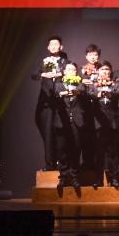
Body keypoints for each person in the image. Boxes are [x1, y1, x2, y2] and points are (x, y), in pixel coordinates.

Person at [30, 35, 69, 171]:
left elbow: (71, 75)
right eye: (51, 44)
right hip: (46, 103)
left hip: (61, 102)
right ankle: (49, 164)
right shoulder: (44, 61)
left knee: (61, 133)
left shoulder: (65, 62)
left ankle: (62, 163)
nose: (53, 46)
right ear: (48, 47)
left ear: (61, 47)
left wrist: (61, 74)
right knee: (47, 132)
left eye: (56, 44)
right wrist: (43, 74)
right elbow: (33, 74)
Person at [86, 62, 119, 189]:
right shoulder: (93, 85)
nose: (105, 71)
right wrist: (98, 94)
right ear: (98, 71)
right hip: (98, 124)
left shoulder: (115, 84)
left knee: (113, 153)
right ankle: (98, 179)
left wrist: (110, 91)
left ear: (110, 71)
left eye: (107, 69)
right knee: (99, 153)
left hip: (113, 123)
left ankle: (114, 179)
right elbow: (89, 93)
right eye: (102, 69)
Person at [54, 62, 87, 193]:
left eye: (73, 69)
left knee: (76, 149)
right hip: (61, 122)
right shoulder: (59, 84)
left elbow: (83, 92)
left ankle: (74, 176)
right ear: (64, 71)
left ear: (76, 72)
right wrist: (64, 92)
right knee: (61, 150)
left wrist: (75, 91)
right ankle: (63, 177)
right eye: (68, 69)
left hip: (77, 122)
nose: (71, 71)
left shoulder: (80, 84)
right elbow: (57, 93)